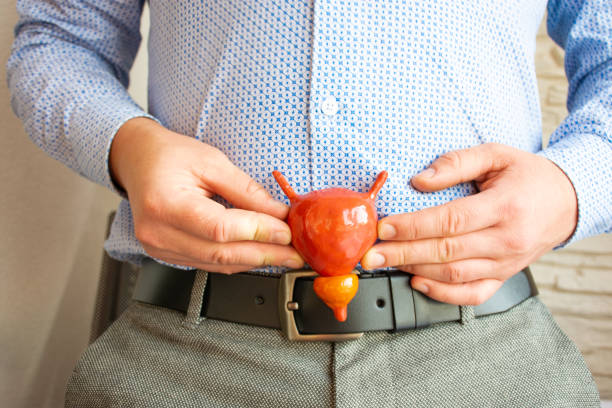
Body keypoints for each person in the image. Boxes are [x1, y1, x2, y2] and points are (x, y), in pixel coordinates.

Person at [7, 0, 610, 406]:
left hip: (490, 362)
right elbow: (59, 41)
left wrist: (573, 186)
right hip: (182, 359)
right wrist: (124, 144)